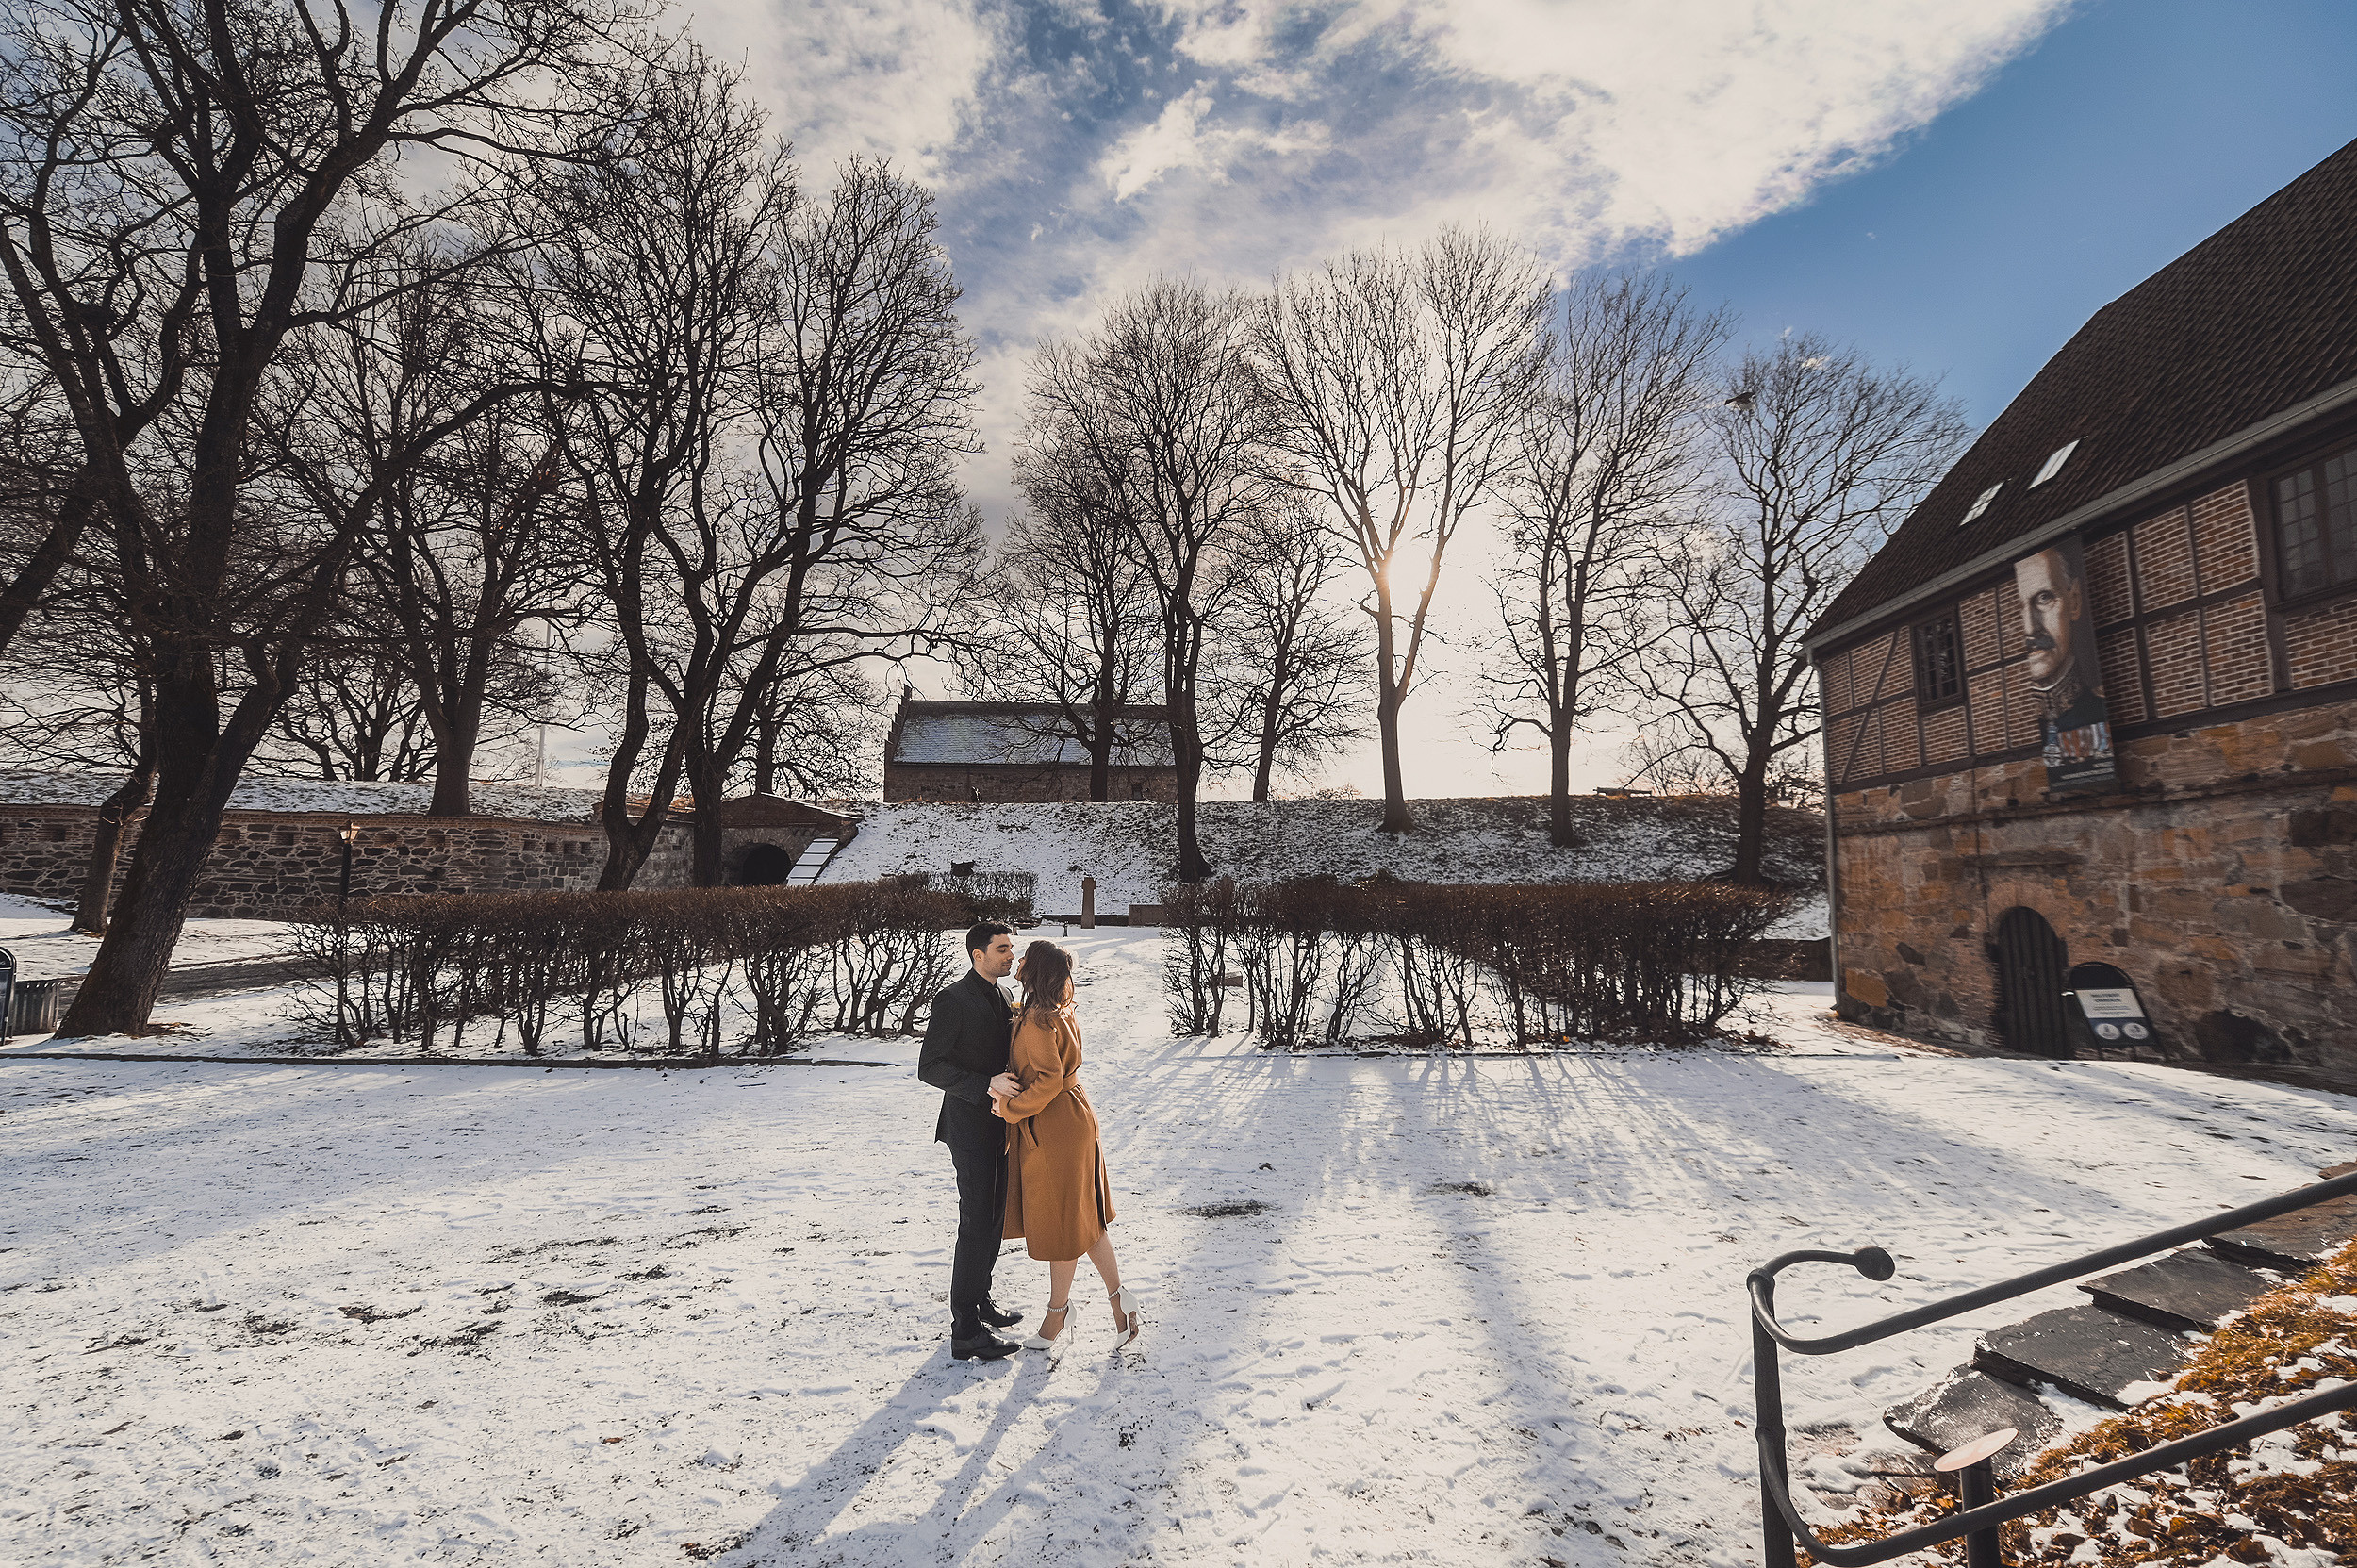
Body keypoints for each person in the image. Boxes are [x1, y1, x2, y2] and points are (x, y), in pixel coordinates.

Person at [989, 938, 1142, 1355]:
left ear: (1034, 970)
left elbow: (1049, 1080)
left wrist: (1011, 1108)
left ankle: (1058, 1313)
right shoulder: (1053, 1013)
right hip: (1072, 1118)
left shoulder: (1038, 1019)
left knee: (1063, 1222)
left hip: (1055, 1125)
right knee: (1083, 1219)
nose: (1017, 961)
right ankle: (1119, 1303)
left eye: (1024, 958)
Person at [917, 920, 1027, 1362]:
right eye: (1001, 949)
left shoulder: (1002, 995)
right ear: (977, 954)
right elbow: (931, 1067)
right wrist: (986, 1084)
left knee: (996, 1218)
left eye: (1010, 949)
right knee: (976, 1222)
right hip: (967, 1127)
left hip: (1001, 1125)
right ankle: (964, 1329)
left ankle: (981, 1300)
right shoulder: (952, 999)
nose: (1009, 956)